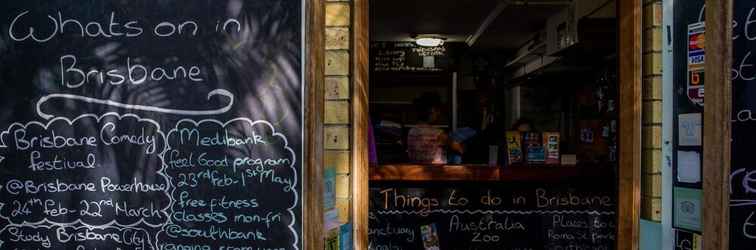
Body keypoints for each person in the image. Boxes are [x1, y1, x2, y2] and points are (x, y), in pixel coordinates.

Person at [406, 92, 462, 164]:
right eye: (438, 111)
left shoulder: (411, 131)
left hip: (415, 171)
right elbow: (459, 148)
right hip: (436, 172)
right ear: (432, 110)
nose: (439, 114)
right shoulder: (438, 133)